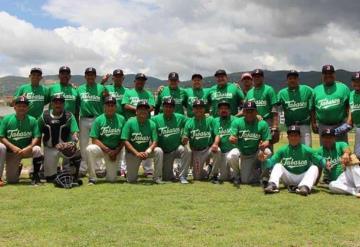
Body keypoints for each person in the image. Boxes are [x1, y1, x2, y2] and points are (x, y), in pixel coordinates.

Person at [264, 125, 325, 196]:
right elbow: (271, 162)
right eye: (291, 136)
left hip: (303, 178)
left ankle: (305, 187)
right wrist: (264, 160)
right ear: (288, 137)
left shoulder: (307, 149)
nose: (293, 138)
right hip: (288, 178)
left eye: (296, 135)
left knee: (314, 167)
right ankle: (272, 185)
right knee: (278, 165)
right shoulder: (282, 150)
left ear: (300, 137)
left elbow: (319, 160)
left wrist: (325, 163)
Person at [0, 96, 43, 185]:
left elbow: (37, 137)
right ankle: (13, 170)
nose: (21, 108)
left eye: (24, 106)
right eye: (19, 105)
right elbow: (1, 136)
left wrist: (29, 147)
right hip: (11, 152)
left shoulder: (32, 120)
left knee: (37, 149)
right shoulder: (7, 119)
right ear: (14, 107)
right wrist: (12, 147)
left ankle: (36, 176)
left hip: (25, 150)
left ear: (28, 108)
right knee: (12, 180)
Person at [38, 95, 81, 182]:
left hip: (64, 148)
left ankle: (74, 174)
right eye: (55, 102)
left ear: (64, 104)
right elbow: (37, 133)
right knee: (50, 178)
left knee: (77, 152)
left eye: (60, 102)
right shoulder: (44, 115)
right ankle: (49, 167)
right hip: (49, 148)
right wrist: (39, 151)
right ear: (51, 103)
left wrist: (73, 142)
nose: (58, 104)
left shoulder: (69, 115)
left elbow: (75, 132)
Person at [229, 101, 272, 185]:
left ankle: (264, 178)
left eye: (251, 111)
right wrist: (232, 138)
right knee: (232, 156)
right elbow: (232, 137)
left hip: (256, 152)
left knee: (267, 151)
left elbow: (267, 140)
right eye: (247, 111)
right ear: (243, 112)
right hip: (243, 153)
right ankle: (237, 176)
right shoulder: (237, 122)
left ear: (256, 112)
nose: (249, 113)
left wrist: (264, 145)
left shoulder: (262, 123)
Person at [122, 73, 156, 176]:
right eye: (138, 80)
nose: (140, 82)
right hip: (132, 123)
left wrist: (143, 113)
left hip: (146, 123)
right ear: (135, 81)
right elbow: (125, 105)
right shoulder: (128, 92)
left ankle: (148, 169)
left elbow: (152, 107)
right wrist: (139, 110)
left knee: (147, 144)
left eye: (142, 80)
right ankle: (125, 168)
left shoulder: (149, 94)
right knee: (128, 146)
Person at [121, 100, 163, 184]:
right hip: (133, 153)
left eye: (145, 109)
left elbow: (155, 142)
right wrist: (137, 153)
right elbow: (125, 140)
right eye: (140, 109)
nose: (143, 111)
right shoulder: (129, 122)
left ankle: (157, 178)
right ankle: (128, 173)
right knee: (131, 180)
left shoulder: (152, 124)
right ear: (136, 111)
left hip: (145, 151)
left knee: (158, 151)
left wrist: (147, 152)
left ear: (148, 112)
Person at [86, 96, 126, 184]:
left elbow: (124, 139)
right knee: (90, 149)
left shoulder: (121, 119)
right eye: (108, 105)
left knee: (111, 179)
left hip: (115, 150)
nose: (110, 107)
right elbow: (94, 139)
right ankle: (92, 177)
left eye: (112, 105)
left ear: (116, 107)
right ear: (104, 107)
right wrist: (108, 150)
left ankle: (108, 170)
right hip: (102, 149)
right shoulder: (99, 120)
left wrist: (116, 151)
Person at [77, 67, 108, 176]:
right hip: (84, 118)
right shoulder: (79, 89)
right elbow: (77, 106)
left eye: (92, 74)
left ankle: (99, 168)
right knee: (83, 144)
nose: (90, 76)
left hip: (97, 118)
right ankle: (83, 168)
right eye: (88, 74)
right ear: (85, 76)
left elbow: (107, 103)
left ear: (95, 76)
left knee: (98, 143)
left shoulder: (101, 88)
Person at [151, 98, 190, 183]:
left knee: (186, 150)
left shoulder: (179, 117)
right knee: (167, 177)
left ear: (174, 108)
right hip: (164, 152)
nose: (168, 109)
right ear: (162, 107)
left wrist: (185, 134)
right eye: (166, 106)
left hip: (176, 148)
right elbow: (147, 124)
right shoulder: (155, 119)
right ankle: (175, 169)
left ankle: (183, 176)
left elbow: (190, 122)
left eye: (171, 107)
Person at [182, 99, 221, 183]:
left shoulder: (210, 120)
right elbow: (184, 138)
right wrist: (184, 139)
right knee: (197, 178)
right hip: (196, 151)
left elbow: (217, 134)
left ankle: (214, 175)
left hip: (208, 149)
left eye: (201, 108)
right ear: (193, 109)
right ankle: (208, 168)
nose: (198, 110)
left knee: (217, 150)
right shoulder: (189, 122)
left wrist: (215, 144)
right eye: (196, 108)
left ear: (204, 109)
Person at [311, 64, 350, 145]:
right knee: (325, 151)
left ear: (334, 74)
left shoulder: (343, 88)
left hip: (340, 125)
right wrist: (313, 123)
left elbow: (349, 106)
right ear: (322, 75)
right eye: (325, 73)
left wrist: (348, 121)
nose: (328, 75)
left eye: (330, 73)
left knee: (342, 150)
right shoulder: (316, 89)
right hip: (323, 125)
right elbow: (312, 108)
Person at [277, 70, 313, 146]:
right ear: (287, 80)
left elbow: (318, 95)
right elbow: (274, 106)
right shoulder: (282, 93)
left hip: (304, 124)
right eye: (290, 78)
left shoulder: (307, 89)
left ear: (298, 79)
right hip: (290, 126)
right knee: (293, 149)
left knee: (307, 148)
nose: (292, 80)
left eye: (295, 78)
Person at [103, 69, 128, 176]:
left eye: (120, 76)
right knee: (107, 141)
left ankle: (121, 168)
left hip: (121, 119)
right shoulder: (107, 88)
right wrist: (102, 82)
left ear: (123, 78)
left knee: (121, 143)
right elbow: (97, 90)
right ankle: (104, 167)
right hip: (108, 118)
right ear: (113, 78)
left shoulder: (127, 91)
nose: (118, 78)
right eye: (116, 76)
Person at [245, 69, 279, 148]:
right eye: (255, 77)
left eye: (259, 76)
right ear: (252, 78)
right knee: (253, 146)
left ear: (262, 78)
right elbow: (245, 109)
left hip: (267, 121)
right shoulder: (250, 92)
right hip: (253, 123)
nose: (256, 78)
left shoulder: (269, 89)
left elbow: (274, 109)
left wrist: (275, 126)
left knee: (267, 148)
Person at [211, 100, 239, 182]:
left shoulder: (236, 120)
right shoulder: (215, 121)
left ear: (230, 110)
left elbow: (248, 118)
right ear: (218, 111)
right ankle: (213, 170)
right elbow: (217, 134)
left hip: (234, 150)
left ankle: (236, 175)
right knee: (224, 178)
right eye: (221, 108)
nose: (223, 110)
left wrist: (258, 117)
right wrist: (215, 144)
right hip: (223, 153)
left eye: (226, 108)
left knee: (232, 155)